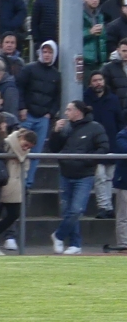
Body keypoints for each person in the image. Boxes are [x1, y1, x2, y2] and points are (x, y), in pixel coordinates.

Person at [48, 98, 108, 253]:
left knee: (76, 210)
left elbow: (103, 147)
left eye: (69, 109)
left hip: (84, 175)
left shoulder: (95, 127)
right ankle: (75, 245)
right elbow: (54, 148)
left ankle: (59, 236)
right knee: (68, 211)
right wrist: (55, 132)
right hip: (66, 173)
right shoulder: (66, 128)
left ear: (78, 111)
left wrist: (87, 160)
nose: (66, 112)